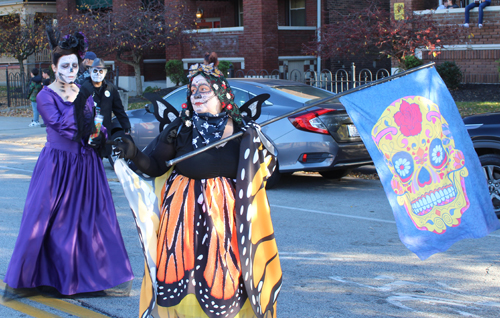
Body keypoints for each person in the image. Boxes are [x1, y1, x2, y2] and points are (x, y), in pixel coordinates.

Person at [111, 59, 282, 317]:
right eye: (193, 90)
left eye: (203, 89)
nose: (196, 95)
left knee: (224, 272)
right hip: (182, 214)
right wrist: (133, 152)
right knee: (182, 271)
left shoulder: (242, 131)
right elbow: (156, 166)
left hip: (226, 216)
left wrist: (259, 144)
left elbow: (266, 171)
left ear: (221, 95)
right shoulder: (179, 129)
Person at [4, 30, 134, 296]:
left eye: (75, 65)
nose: (71, 70)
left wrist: (103, 134)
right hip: (58, 166)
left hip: (87, 164)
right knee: (52, 223)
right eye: (65, 65)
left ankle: (88, 279)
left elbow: (97, 122)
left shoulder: (82, 91)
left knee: (90, 222)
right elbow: (64, 126)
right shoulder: (45, 96)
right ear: (54, 68)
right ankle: (51, 279)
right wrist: (87, 108)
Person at [84, 58, 131, 159]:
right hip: (87, 131)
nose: (98, 74)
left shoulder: (110, 88)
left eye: (101, 71)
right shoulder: (84, 87)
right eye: (95, 71)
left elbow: (118, 109)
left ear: (105, 72)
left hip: (103, 131)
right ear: (90, 71)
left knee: (100, 157)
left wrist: (126, 125)